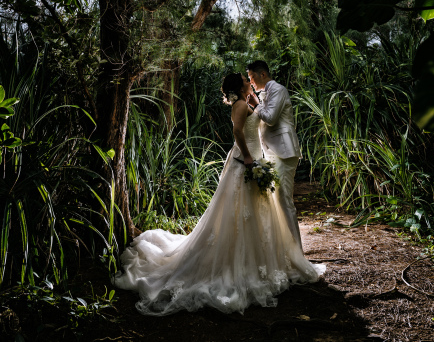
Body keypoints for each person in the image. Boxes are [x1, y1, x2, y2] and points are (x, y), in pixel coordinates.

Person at [113, 72, 324, 316]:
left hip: (256, 161)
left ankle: (258, 262)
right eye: (246, 82)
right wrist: (247, 157)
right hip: (245, 163)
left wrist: (254, 105)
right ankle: (238, 265)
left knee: (257, 213)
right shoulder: (240, 105)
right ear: (240, 87)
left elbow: (254, 120)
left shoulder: (246, 102)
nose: (250, 82)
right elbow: (237, 131)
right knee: (238, 215)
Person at [246, 60, 304, 252]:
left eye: (252, 77)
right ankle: (282, 249)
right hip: (272, 152)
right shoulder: (266, 92)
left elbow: (270, 118)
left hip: (284, 152)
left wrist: (256, 104)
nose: (251, 82)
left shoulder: (277, 89)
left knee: (284, 201)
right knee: (274, 201)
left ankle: (296, 252)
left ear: (263, 74)